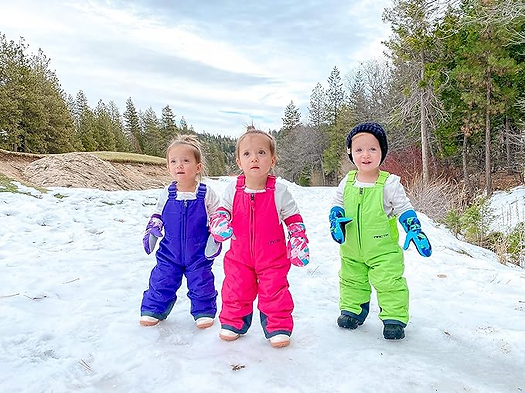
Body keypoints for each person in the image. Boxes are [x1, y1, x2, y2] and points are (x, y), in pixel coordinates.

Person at [209, 126, 310, 348]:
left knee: (275, 290)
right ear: (238, 161)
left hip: (272, 257)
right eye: (247, 154)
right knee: (236, 288)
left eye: (261, 153)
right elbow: (222, 210)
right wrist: (220, 221)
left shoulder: (280, 192)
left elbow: (293, 218)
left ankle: (278, 326)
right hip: (239, 256)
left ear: (272, 160)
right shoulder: (232, 190)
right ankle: (233, 322)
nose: (254, 158)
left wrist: (297, 239)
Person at [329, 122, 432, 340]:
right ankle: (352, 310)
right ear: (350, 153)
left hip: (383, 249)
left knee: (389, 281)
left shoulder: (389, 183)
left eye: (372, 149)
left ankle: (394, 318)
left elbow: (404, 208)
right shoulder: (347, 181)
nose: (365, 155)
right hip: (351, 248)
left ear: (382, 152)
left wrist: (414, 228)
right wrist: (335, 218)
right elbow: (337, 203)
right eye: (359, 150)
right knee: (351, 279)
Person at [140, 134, 221, 329]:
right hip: (170, 252)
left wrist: (217, 235)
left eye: (186, 161)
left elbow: (218, 215)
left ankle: (203, 312)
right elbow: (158, 214)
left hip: (199, 252)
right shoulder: (167, 193)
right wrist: (153, 229)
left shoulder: (205, 193)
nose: (179, 165)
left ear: (198, 167)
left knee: (201, 282)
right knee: (161, 279)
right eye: (174, 161)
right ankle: (153, 310)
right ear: (168, 167)